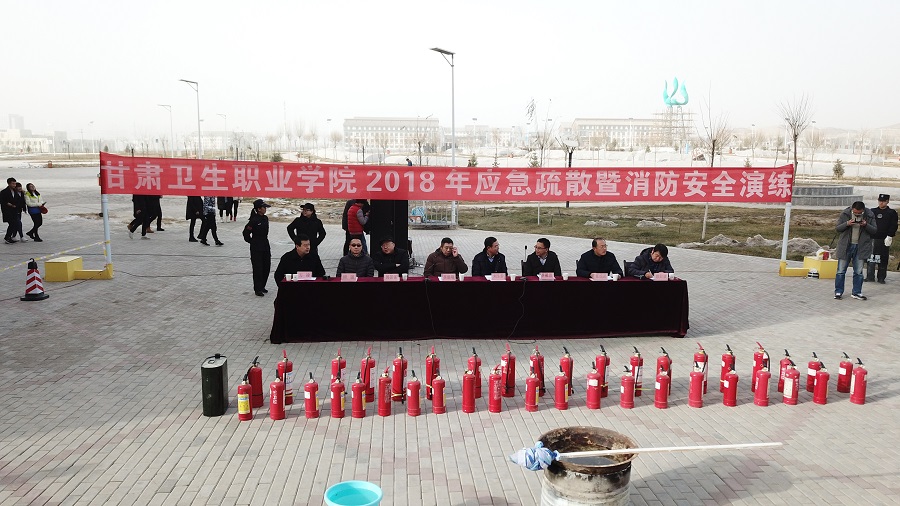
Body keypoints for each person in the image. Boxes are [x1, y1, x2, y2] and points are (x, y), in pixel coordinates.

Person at [834, 201, 877, 300]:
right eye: (855, 213)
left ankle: (857, 292)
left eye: (859, 213)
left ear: (863, 210)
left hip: (861, 247)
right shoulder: (845, 213)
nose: (857, 215)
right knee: (840, 271)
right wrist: (847, 223)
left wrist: (866, 225)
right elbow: (838, 228)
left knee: (858, 272)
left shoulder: (869, 215)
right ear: (852, 209)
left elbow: (874, 230)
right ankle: (838, 292)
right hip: (846, 246)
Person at [866, 194, 898, 284]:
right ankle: (870, 276)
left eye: (883, 201)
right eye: (880, 201)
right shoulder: (873, 211)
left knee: (883, 258)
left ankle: (881, 277)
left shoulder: (891, 212)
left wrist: (890, 236)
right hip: (872, 237)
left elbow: (893, 225)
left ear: (887, 201)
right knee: (871, 258)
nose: (881, 203)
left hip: (884, 239)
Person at [243, 199, 272, 296]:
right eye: (264, 207)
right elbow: (246, 233)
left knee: (266, 267)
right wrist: (252, 241)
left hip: (265, 245)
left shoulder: (265, 218)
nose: (265, 209)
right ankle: (257, 289)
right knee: (258, 268)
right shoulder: (253, 220)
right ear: (259, 209)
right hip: (256, 247)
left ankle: (262, 286)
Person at [2, 177, 23, 244]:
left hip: (14, 210)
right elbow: (2, 201)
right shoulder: (4, 192)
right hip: (7, 211)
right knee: (12, 224)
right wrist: (8, 204)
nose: (14, 185)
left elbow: (18, 200)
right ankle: (7, 237)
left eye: (15, 184)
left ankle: (9, 237)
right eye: (13, 183)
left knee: (14, 224)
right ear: (9, 184)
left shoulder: (15, 191)